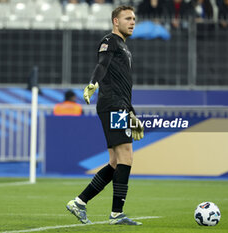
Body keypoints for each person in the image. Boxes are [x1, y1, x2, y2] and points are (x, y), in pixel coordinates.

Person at [66, 5, 144, 226]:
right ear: (115, 21)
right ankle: (116, 214)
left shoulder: (124, 47)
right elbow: (102, 64)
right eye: (128, 18)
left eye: (134, 19)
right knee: (126, 157)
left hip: (120, 106)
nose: (132, 22)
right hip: (113, 106)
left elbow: (122, 84)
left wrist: (132, 114)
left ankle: (79, 202)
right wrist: (92, 83)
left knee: (115, 161)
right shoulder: (110, 41)